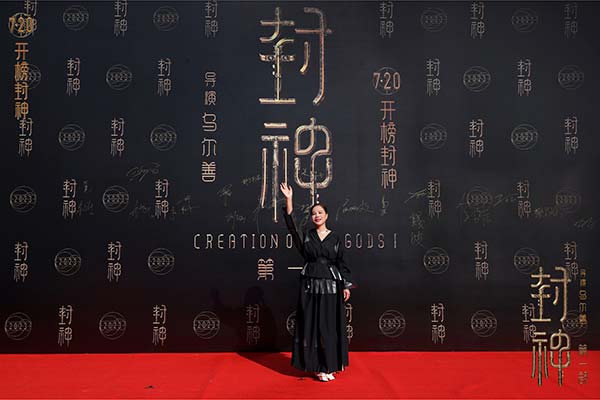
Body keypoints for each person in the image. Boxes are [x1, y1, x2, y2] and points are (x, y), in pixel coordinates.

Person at [279, 182, 355, 382]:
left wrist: (346, 285)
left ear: (326, 215)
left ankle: (329, 365)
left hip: (331, 286)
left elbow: (342, 262)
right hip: (310, 287)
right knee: (311, 326)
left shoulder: (335, 238)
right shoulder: (306, 236)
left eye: (320, 212)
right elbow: (292, 226)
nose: (317, 216)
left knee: (328, 327)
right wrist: (289, 199)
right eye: (313, 213)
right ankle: (316, 367)